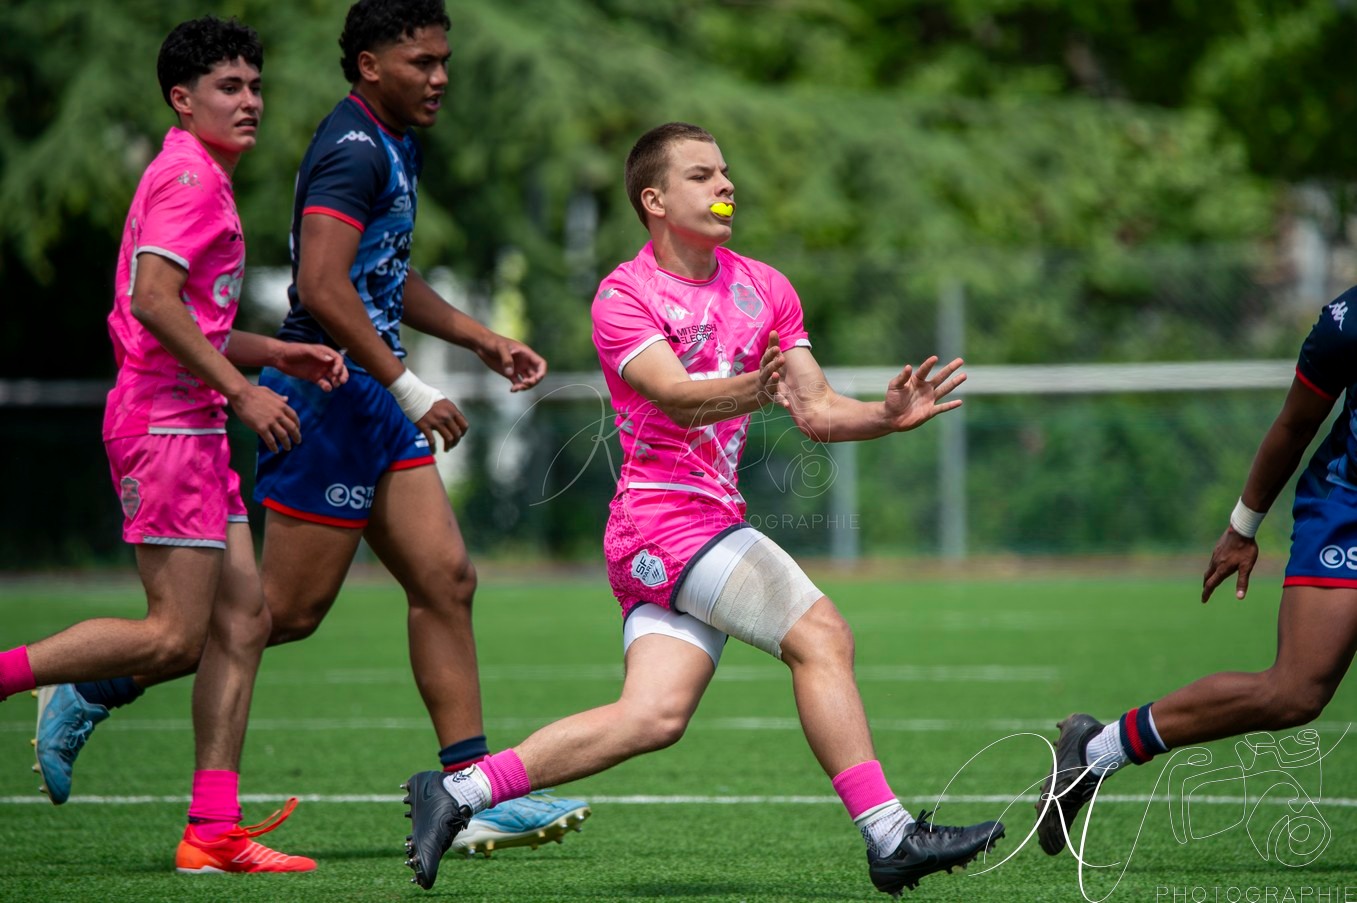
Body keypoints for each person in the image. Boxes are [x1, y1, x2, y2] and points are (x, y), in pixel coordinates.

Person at [31, 0, 589, 856]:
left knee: (446, 578)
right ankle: (95, 687)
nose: (440, 77)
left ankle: (470, 786)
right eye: (421, 63)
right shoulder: (350, 149)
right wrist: (406, 387)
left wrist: (478, 338)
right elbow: (324, 289)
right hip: (335, 399)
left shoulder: (394, 141)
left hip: (364, 388)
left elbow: (379, 276)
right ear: (370, 65)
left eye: (445, 61)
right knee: (272, 617)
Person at [399, 121, 1006, 896]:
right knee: (821, 633)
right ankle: (890, 834)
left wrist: (885, 416)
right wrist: (762, 385)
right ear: (653, 200)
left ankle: (458, 791)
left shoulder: (765, 285)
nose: (725, 186)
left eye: (725, 172)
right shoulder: (624, 293)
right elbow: (675, 396)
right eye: (701, 175)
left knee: (651, 716)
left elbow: (814, 409)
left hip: (696, 526)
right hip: (661, 522)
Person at [0, 16, 343, 873]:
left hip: (186, 422)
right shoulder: (189, 177)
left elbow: (187, 319)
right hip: (169, 425)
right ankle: (26, 675)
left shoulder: (197, 177)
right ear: (182, 100)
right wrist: (243, 389)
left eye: (256, 87)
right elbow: (154, 302)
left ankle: (212, 831)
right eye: (230, 88)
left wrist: (272, 352)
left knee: (245, 620)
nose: (250, 102)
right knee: (170, 637)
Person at [1034, 287, 1357, 856]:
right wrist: (1243, 526)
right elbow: (1294, 424)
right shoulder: (1348, 321)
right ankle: (1094, 752)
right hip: (1347, 509)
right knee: (1294, 692)